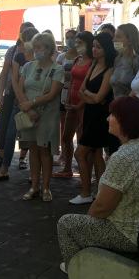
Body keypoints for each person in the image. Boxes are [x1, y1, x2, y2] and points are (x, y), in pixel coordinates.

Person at [57, 96, 139, 270]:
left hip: (131, 233)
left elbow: (101, 208)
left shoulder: (124, 157)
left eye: (112, 115)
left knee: (67, 224)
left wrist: (87, 229)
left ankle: (77, 272)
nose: (107, 119)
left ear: (125, 121)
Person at [16, 33, 64, 201]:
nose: (35, 50)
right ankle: (34, 186)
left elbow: (52, 94)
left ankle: (46, 188)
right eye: (34, 47)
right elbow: (20, 89)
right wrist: (27, 108)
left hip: (47, 115)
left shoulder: (57, 69)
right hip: (30, 114)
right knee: (33, 149)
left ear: (49, 49)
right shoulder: (28, 66)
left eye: (39, 47)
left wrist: (31, 103)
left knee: (45, 150)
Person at [0, 27, 40, 182]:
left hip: (36, 102)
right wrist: (22, 100)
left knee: (35, 139)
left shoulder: (40, 56)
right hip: (19, 101)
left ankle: (35, 174)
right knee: (10, 133)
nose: (21, 46)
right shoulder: (18, 56)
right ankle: (4, 169)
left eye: (24, 42)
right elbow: (15, 81)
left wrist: (30, 102)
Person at [70, 32, 117, 205]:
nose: (94, 49)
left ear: (106, 49)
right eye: (94, 46)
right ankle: (99, 191)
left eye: (99, 47)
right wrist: (92, 97)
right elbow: (82, 91)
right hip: (90, 112)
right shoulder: (94, 65)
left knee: (80, 153)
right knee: (96, 154)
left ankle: (86, 192)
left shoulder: (109, 69)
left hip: (100, 116)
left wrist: (90, 96)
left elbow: (98, 97)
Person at [54, 31, 93, 178]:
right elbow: (71, 81)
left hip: (84, 104)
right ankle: (67, 168)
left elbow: (91, 85)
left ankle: (85, 174)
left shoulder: (92, 62)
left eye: (79, 43)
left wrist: (80, 104)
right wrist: (68, 99)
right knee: (66, 137)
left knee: (83, 140)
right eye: (76, 43)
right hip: (72, 103)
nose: (76, 45)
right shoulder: (77, 59)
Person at [56, 29, 79, 166]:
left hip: (76, 93)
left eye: (72, 37)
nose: (69, 40)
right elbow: (58, 74)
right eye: (67, 37)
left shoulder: (81, 57)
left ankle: (77, 156)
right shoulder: (61, 57)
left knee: (78, 126)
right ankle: (63, 154)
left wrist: (68, 75)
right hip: (63, 93)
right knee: (63, 125)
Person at [110, 23, 139, 99]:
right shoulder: (118, 59)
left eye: (118, 37)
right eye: (114, 36)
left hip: (130, 104)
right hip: (116, 103)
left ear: (130, 40)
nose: (113, 40)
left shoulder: (137, 60)